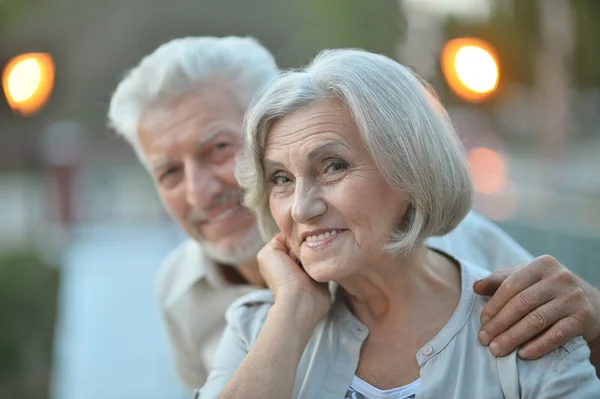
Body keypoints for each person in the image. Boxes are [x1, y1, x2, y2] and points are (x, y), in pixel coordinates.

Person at [107, 36, 600, 391]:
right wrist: (291, 313)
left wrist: (595, 319)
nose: (200, 191)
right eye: (169, 172)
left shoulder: (472, 249)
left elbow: (562, 330)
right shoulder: (184, 295)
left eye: (218, 148)